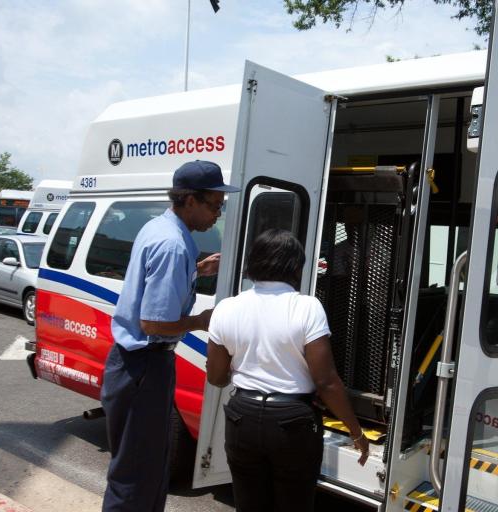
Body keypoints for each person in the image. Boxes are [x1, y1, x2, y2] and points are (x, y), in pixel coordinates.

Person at [100, 160, 239, 512]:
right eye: (214, 205)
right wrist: (202, 320)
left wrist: (196, 268)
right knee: (136, 472)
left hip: (136, 366)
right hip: (144, 366)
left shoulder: (159, 229)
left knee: (144, 465)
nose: (217, 215)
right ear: (189, 200)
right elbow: (153, 323)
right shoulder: (173, 246)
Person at [206, 229, 369, 512]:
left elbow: (217, 378)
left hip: (241, 417)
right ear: (295, 267)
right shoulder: (307, 307)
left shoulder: (226, 308)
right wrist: (356, 432)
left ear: (253, 263)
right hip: (292, 423)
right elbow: (326, 381)